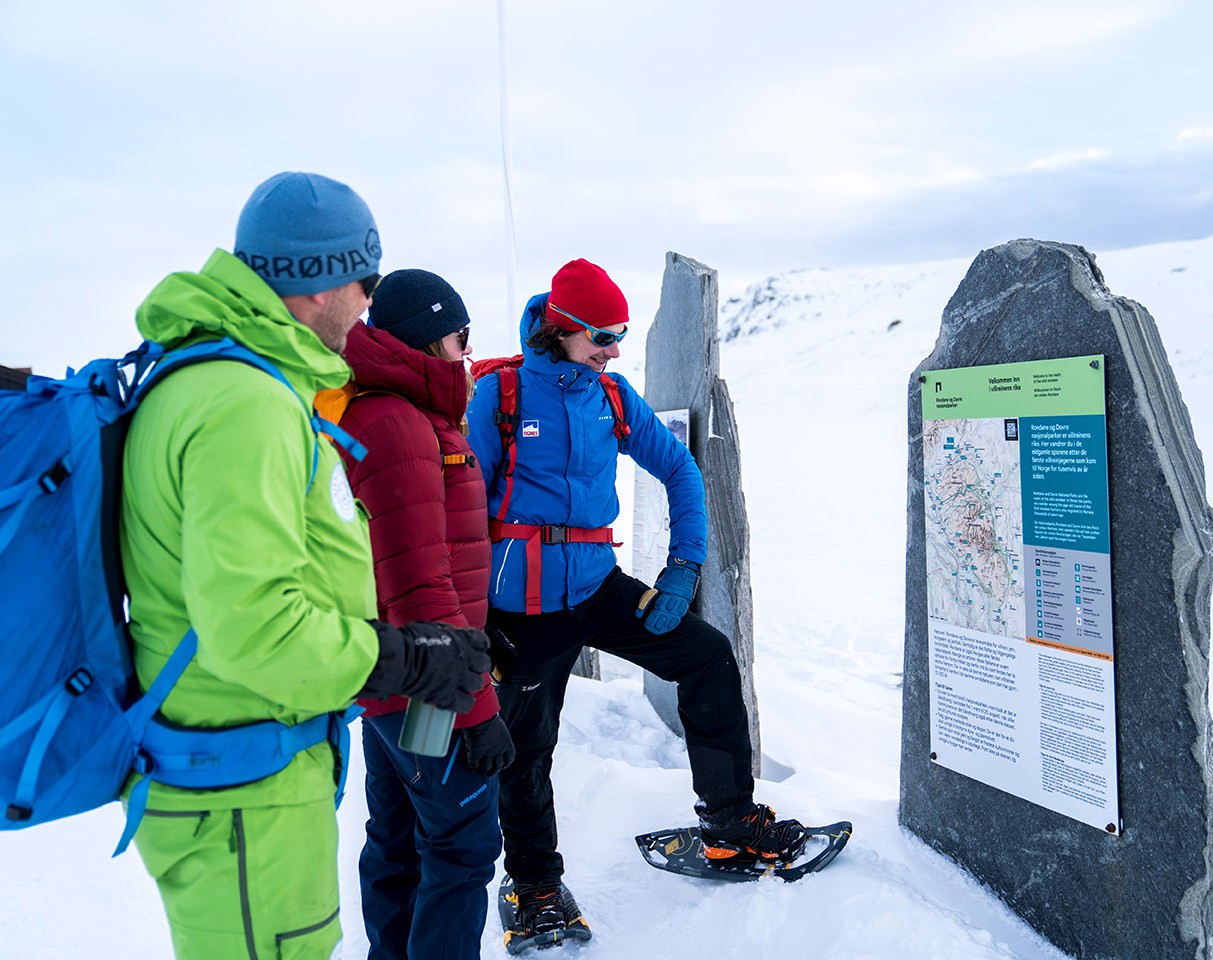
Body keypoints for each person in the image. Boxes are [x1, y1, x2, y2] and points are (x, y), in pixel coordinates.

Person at [119, 172, 492, 960]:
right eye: (365, 280)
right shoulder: (244, 404)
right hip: (241, 785)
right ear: (318, 281)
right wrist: (402, 657)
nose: (368, 304)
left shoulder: (223, 380)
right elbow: (254, 627)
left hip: (244, 770)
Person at [466, 258, 809, 940]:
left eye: (620, 333)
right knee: (526, 750)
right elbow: (464, 509)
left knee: (707, 657)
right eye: (602, 335)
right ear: (562, 330)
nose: (614, 348)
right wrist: (476, 619)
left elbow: (679, 467)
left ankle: (728, 824)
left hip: (597, 589)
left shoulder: (612, 397)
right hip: (521, 608)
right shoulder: (501, 397)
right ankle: (534, 885)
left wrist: (683, 567)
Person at [335, 269, 513, 959]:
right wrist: (478, 708)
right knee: (463, 846)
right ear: (426, 335)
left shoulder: (403, 412)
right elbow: (416, 579)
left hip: (401, 680)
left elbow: (420, 558)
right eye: (459, 333)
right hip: (427, 689)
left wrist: (481, 634)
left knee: (401, 841)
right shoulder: (401, 424)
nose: (467, 346)